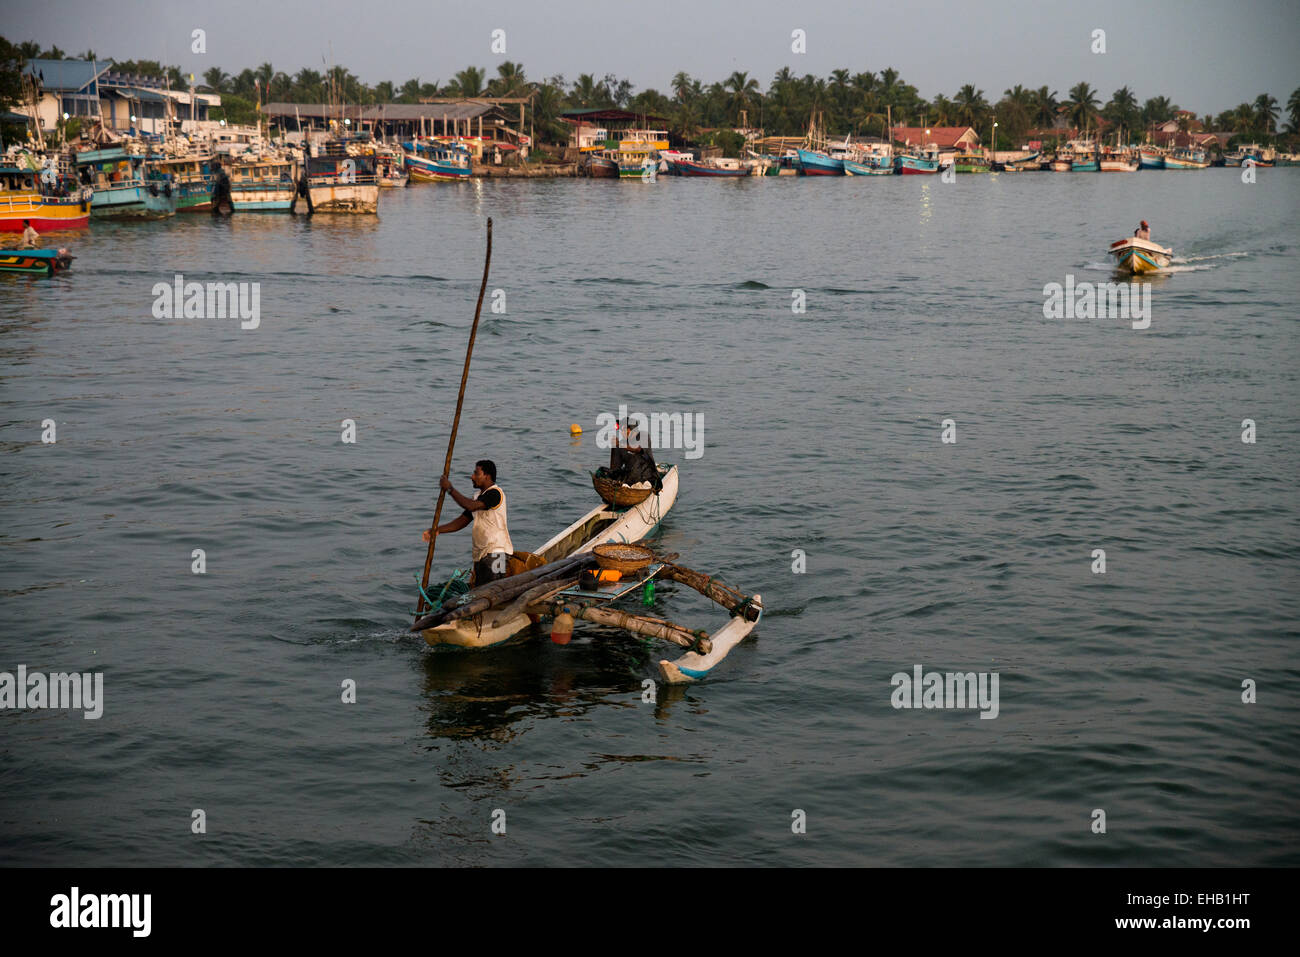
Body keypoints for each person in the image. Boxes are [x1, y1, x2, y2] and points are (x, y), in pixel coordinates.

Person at [421, 459, 514, 585]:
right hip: (482, 554)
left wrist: (450, 489)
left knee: (492, 590)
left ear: (487, 476)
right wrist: (437, 530)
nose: (472, 476)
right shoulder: (478, 497)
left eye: (476, 473)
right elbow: (462, 521)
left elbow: (470, 506)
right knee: (482, 591)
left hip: (497, 553)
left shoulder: (495, 493)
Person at [606, 421, 662, 493]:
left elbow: (638, 449)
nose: (622, 432)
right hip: (630, 478)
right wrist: (613, 447)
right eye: (621, 430)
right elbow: (615, 467)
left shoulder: (643, 436)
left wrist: (619, 444)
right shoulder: (621, 444)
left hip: (647, 476)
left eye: (625, 430)